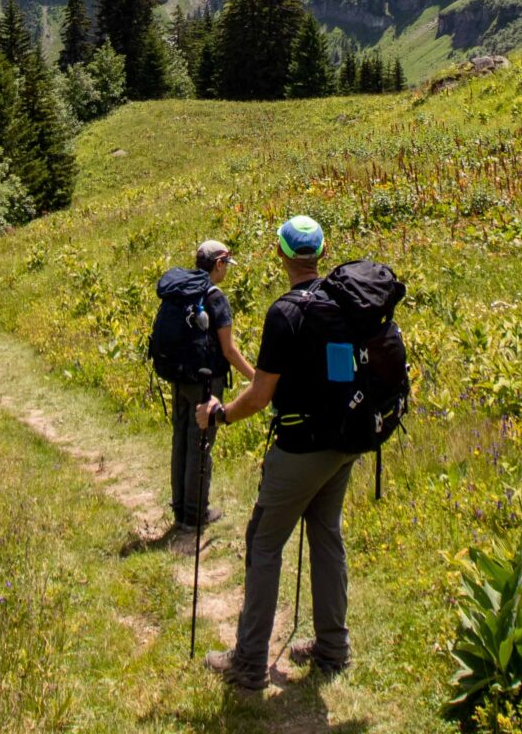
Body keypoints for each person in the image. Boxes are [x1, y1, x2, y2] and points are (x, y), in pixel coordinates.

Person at [197, 214, 406, 691]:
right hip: (346, 441)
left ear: (281, 254)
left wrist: (220, 414)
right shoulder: (345, 303)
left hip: (300, 448)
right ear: (323, 252)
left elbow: (260, 396)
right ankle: (333, 649)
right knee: (326, 536)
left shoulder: (284, 314)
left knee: (264, 542)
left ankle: (249, 662)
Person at [151, 238, 252, 532]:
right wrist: (256, 378)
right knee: (200, 444)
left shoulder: (181, 291)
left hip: (178, 376)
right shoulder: (215, 297)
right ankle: (195, 516)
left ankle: (180, 510)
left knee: (181, 440)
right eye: (226, 265)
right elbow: (229, 350)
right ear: (218, 264)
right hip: (206, 383)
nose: (226, 270)